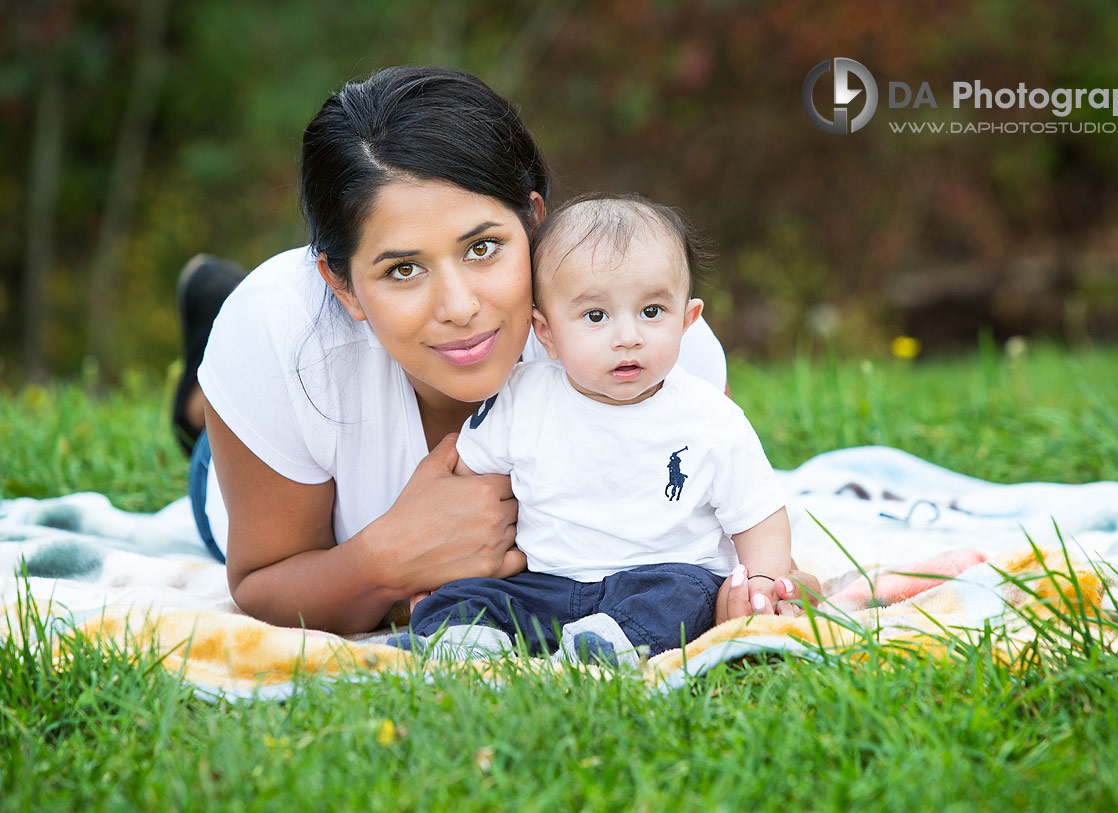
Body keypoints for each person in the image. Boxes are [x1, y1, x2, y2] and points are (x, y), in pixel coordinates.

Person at [182, 65, 820, 636]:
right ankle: (198, 398)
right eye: (403, 269)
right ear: (344, 285)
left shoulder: (643, 346)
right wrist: (384, 561)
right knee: (215, 439)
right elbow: (261, 582)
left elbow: (743, 541)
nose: (459, 306)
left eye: (483, 247)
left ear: (534, 223)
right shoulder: (282, 334)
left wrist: (768, 589)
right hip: (277, 443)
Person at [405, 194, 795, 666]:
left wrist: (763, 582)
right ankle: (470, 641)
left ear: (688, 320)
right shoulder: (521, 398)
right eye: (596, 316)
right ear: (545, 333)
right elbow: (467, 480)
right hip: (545, 584)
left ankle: (614, 643)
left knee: (690, 596)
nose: (628, 336)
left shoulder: (710, 416)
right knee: (464, 595)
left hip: (656, 577)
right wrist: (445, 565)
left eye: (652, 312)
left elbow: (759, 515)